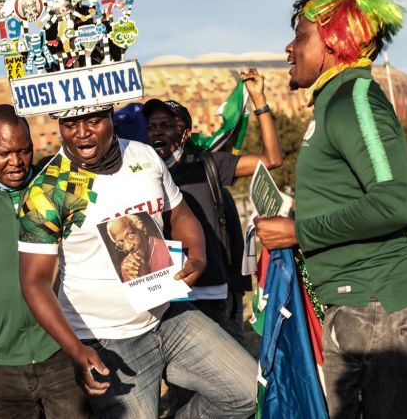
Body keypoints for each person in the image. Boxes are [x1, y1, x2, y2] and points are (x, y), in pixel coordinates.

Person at [254, 0, 407, 418]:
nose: (289, 46)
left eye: (301, 35)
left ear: (334, 41)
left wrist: (298, 231)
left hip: (384, 309)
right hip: (359, 308)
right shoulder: (332, 104)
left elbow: (395, 201)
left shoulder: (354, 102)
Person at [17, 106, 258, 418]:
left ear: (110, 118)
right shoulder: (48, 190)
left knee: (248, 392)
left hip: (169, 314)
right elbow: (34, 282)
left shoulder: (143, 155)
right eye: (70, 123)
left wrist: (197, 255)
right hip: (107, 339)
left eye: (92, 120)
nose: (82, 132)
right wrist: (75, 350)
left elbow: (180, 212)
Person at [0, 104, 90, 419]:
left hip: (63, 353)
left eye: (25, 151)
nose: (16, 162)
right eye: (4, 153)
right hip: (1, 368)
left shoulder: (58, 185)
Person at [142, 68, 282, 339]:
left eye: (167, 125)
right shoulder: (144, 173)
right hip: (168, 296)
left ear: (185, 133)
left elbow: (272, 159)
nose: (157, 131)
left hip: (213, 294)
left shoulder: (209, 164)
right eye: (153, 126)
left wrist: (259, 101)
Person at [106, 214, 172, 281]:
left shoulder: (171, 249)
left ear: (143, 229)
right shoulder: (127, 265)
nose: (128, 248)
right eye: (121, 243)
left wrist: (144, 277)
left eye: (130, 236)